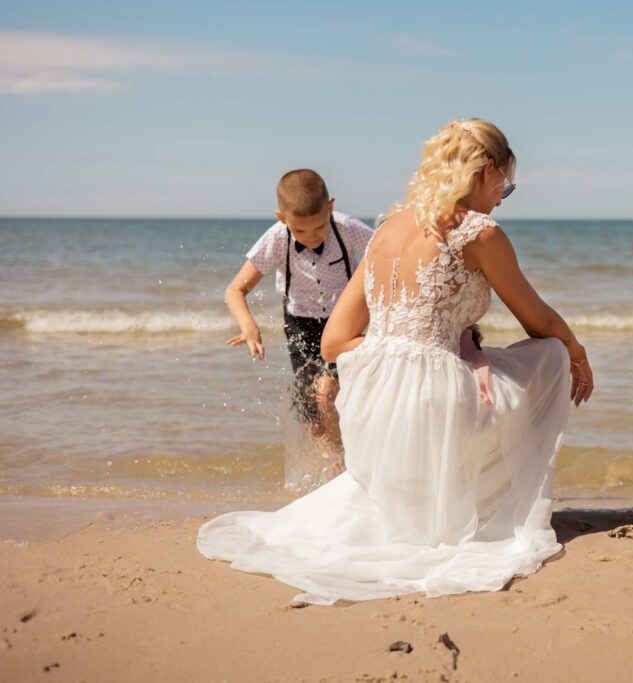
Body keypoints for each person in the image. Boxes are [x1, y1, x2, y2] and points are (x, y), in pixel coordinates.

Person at [198, 119, 594, 604]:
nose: (500, 199)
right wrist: (576, 351)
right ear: (487, 170)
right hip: (437, 401)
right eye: (505, 187)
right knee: (549, 355)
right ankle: (491, 503)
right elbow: (539, 321)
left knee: (478, 367)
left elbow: (333, 343)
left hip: (372, 401)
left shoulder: (386, 230)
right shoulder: (480, 232)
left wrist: (401, 350)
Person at [224, 170, 373, 473]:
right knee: (313, 421)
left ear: (330, 208)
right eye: (300, 230)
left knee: (326, 394)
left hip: (343, 322)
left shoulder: (346, 228)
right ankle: (331, 469)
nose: (312, 236)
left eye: (319, 227)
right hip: (300, 326)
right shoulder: (277, 238)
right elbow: (235, 290)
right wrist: (249, 328)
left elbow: (387, 253)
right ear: (282, 218)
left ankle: (348, 470)